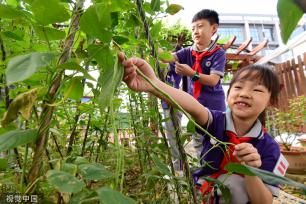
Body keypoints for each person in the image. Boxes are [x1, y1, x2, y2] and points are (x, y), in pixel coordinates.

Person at [119, 52, 288, 204]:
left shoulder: (270, 148)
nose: (244, 93)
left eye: (257, 89)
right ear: (228, 95)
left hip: (238, 196)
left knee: (235, 185)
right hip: (204, 193)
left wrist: (251, 170)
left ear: (271, 102)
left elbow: (264, 201)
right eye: (237, 87)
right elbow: (193, 106)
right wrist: (153, 84)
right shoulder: (217, 121)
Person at [163, 9, 226, 112]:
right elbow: (166, 58)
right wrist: (151, 41)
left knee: (212, 128)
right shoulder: (188, 51)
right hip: (194, 104)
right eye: (193, 29)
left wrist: (191, 73)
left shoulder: (218, 53)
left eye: (200, 26)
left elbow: (213, 80)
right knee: (195, 128)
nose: (195, 32)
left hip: (214, 105)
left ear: (213, 28)